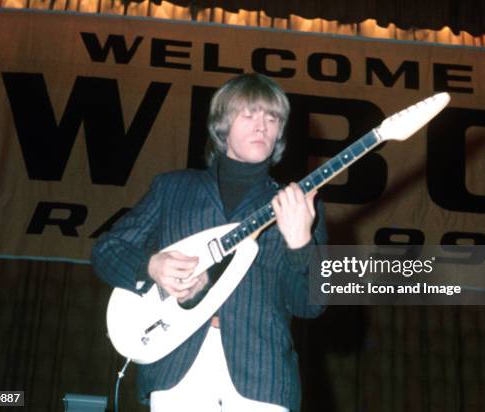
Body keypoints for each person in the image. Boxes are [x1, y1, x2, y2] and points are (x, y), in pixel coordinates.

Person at [92, 73, 327, 412]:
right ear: (222, 124)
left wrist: (299, 244)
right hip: (176, 367)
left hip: (262, 377)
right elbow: (106, 250)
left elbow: (310, 305)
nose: (262, 125)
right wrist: (151, 265)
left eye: (272, 117)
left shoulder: (302, 203)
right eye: (249, 114)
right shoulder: (172, 188)